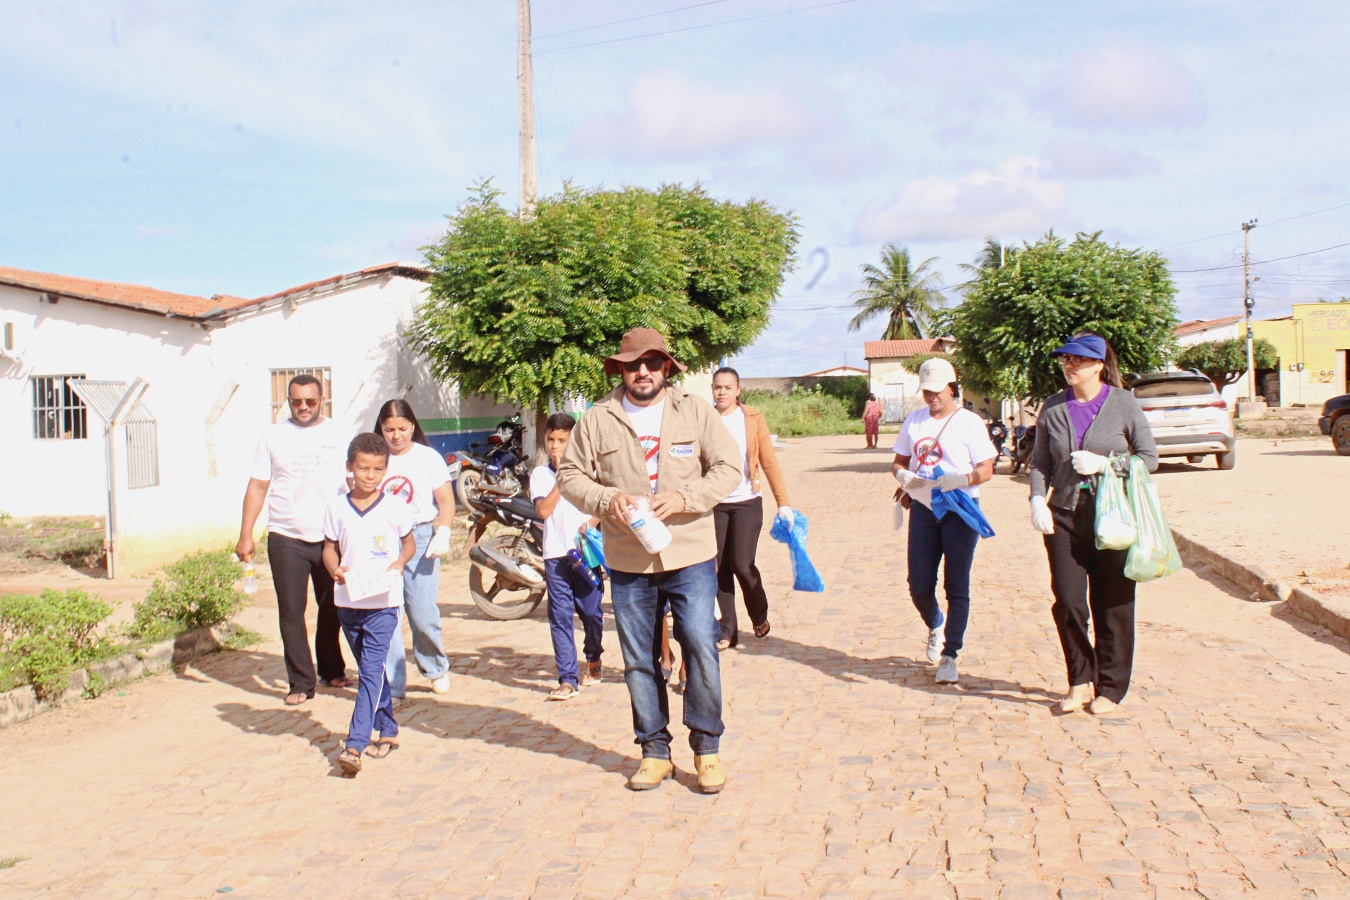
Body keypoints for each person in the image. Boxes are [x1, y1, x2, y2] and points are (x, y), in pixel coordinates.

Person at [556, 327, 741, 793]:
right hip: (628, 559)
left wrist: (684, 496)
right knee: (639, 658)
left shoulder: (694, 410)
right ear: (619, 368)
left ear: (666, 368)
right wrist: (606, 498)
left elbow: (727, 468)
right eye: (633, 364)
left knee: (700, 643)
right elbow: (571, 474)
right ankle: (655, 753)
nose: (643, 371)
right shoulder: (599, 418)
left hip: (691, 552)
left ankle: (707, 750)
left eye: (652, 363)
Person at [1028, 333, 1157, 715]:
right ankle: (1080, 679)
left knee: (1112, 603)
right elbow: (1040, 462)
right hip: (1066, 515)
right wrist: (1037, 498)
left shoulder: (1123, 404)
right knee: (1068, 602)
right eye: (1065, 360)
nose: (1069, 366)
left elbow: (1149, 459)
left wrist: (1109, 465)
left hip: (1113, 513)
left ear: (1098, 365)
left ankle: (1111, 688)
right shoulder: (1052, 407)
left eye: (1078, 361)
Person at [237, 374, 349, 706]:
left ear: (322, 400)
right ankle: (300, 681)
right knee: (291, 611)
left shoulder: (339, 433)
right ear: (288, 401)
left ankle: (330, 668)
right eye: (296, 401)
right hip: (286, 536)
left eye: (310, 401)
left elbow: (359, 479)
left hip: (332, 537)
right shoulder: (273, 436)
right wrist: (245, 534)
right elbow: (258, 486)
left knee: (334, 607)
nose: (303, 407)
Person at [891, 358, 997, 686]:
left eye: (937, 391)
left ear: (952, 388)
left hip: (960, 505)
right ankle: (936, 623)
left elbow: (987, 468)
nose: (931, 397)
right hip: (924, 504)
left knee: (956, 582)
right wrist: (903, 474)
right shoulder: (914, 420)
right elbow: (898, 461)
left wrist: (963, 478)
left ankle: (950, 654)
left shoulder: (969, 422)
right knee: (919, 583)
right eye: (926, 391)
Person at [322, 433, 416, 775]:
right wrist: (335, 569)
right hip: (348, 601)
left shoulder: (394, 506)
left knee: (369, 672)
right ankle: (388, 729)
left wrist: (399, 563)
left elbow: (408, 544)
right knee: (371, 672)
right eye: (363, 468)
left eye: (378, 469)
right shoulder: (336, 507)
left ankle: (355, 744)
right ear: (350, 467)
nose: (370, 475)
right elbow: (329, 548)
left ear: (386, 470)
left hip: (383, 603)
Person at [373, 400, 454, 699]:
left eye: (402, 429)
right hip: (382, 540)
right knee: (386, 612)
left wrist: (443, 531)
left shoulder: (428, 458)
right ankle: (393, 682)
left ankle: (435, 668)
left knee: (421, 610)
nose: (396, 436)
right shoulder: (375, 457)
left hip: (419, 537)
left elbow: (445, 501)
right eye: (389, 429)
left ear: (413, 426)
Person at [709, 367, 792, 650]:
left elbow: (768, 461)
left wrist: (784, 504)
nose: (722, 392)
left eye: (728, 387)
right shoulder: (705, 419)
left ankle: (759, 614)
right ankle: (727, 630)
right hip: (715, 503)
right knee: (718, 566)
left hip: (747, 501)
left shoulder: (752, 418)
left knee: (742, 564)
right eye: (718, 387)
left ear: (738, 390)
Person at [531, 412, 604, 701]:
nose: (555, 446)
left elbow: (601, 506)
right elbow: (544, 511)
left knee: (591, 612)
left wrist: (591, 524)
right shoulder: (540, 475)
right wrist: (561, 477)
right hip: (555, 556)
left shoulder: (590, 471)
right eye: (550, 440)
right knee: (559, 616)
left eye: (562, 440)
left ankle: (594, 656)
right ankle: (567, 678)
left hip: (584, 553)